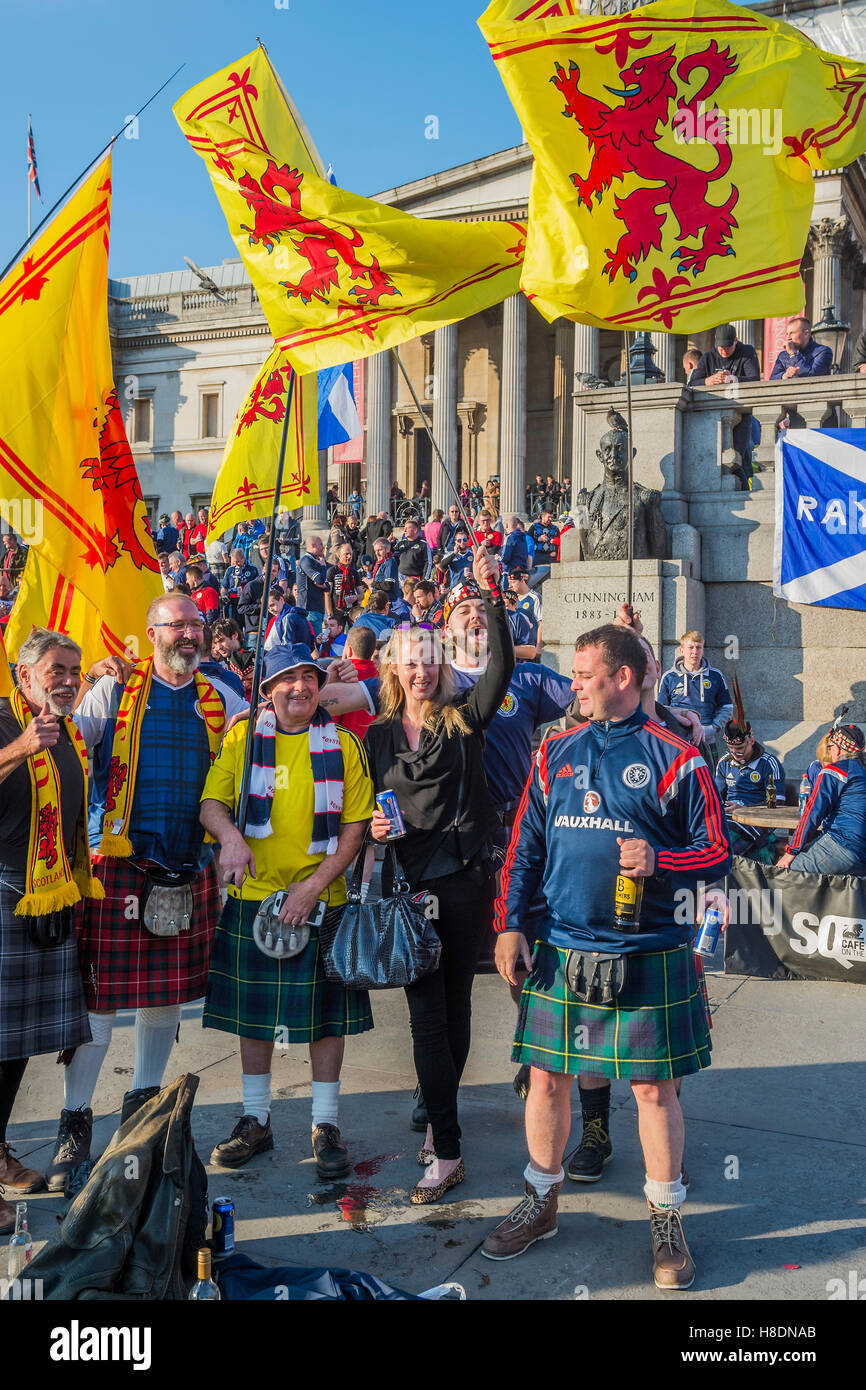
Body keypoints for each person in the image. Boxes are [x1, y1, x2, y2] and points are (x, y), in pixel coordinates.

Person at [484, 625, 730, 1288]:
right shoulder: (554, 751)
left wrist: (663, 859)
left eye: (587, 672)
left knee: (653, 1089)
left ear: (626, 678)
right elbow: (524, 850)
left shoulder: (680, 757)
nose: (575, 685)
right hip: (563, 945)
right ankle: (540, 1202)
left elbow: (717, 856)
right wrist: (510, 925)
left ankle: (666, 1221)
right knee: (545, 1079)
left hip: (649, 949)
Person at [44, 593, 237, 1193]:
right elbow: (67, 748)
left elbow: (254, 755)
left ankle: (141, 1114)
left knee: (165, 998)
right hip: (121, 863)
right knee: (100, 1001)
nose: (188, 633)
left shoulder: (223, 697)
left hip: (190, 863)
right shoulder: (114, 692)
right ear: (151, 632)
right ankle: (75, 1124)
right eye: (176, 624)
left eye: (195, 624)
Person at [365, 545, 514, 1204]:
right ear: (395, 667)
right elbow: (366, 807)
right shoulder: (374, 736)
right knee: (428, 1020)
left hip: (463, 883)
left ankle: (441, 1133)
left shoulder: (463, 721)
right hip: (407, 889)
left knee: (455, 1011)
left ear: (442, 665)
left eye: (431, 660)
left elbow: (502, 668)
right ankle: (445, 1143)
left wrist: (497, 599)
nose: (422, 670)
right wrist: (371, 828)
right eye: (412, 660)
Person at [200, 645, 374, 1176]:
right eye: (287, 678)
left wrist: (313, 888)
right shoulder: (242, 738)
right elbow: (212, 804)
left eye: (308, 677)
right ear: (268, 689)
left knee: (324, 1022)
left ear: (320, 686)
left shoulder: (343, 744)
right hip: (254, 899)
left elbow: (355, 828)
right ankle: (256, 1119)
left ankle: (325, 1123)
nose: (300, 687)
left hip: (322, 903)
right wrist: (229, 837)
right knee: (254, 1019)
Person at [0, 631, 102, 1221]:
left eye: (74, 670)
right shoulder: (5, 722)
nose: (67, 679)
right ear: (24, 676)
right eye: (55, 670)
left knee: (15, 1051)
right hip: (7, 893)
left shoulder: (67, 734)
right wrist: (17, 747)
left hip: (51, 893)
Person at [779, 724, 866, 874]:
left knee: (785, 875)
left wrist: (791, 851)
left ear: (837, 749)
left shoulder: (833, 771)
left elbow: (812, 813)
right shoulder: (862, 772)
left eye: (830, 746)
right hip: (861, 854)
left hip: (841, 844)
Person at [658, 631, 733, 767]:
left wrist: (712, 728)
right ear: (682, 650)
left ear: (703, 649)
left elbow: (727, 707)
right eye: (690, 647)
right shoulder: (669, 677)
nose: (695, 652)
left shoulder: (715, 676)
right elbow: (661, 710)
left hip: (707, 740)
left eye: (698, 647)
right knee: (679, 784)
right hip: (678, 741)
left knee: (709, 782)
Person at [714, 719, 785, 861]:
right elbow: (715, 796)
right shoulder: (724, 762)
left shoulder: (769, 763)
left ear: (751, 741)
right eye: (730, 748)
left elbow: (779, 804)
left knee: (724, 844)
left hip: (757, 819)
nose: (735, 753)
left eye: (740, 748)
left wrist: (744, 808)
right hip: (728, 816)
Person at [296, 536, 331, 618]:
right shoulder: (306, 560)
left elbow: (327, 587)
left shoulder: (317, 560)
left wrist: (324, 584)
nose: (323, 547)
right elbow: (319, 580)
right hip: (308, 609)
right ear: (313, 545)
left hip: (317, 609)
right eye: (321, 544)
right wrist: (323, 566)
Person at [326, 541, 361, 615]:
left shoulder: (354, 572)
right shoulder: (332, 571)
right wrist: (330, 613)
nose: (349, 557)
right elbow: (327, 594)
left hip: (352, 611)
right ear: (339, 555)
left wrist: (355, 597)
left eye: (351, 554)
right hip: (337, 610)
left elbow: (361, 595)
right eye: (346, 554)